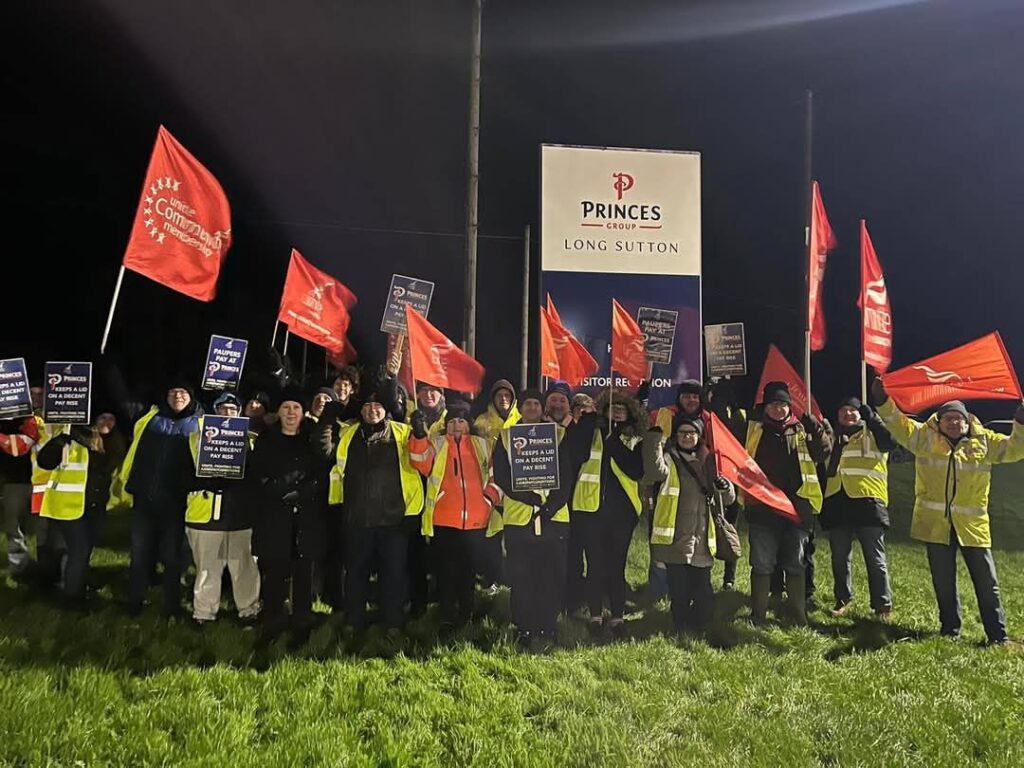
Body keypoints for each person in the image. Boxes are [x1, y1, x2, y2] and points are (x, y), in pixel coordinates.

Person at [873, 378, 1024, 644]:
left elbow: (1015, 449)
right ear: (939, 421)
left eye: (959, 419)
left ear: (968, 422)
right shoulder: (923, 438)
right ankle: (950, 630)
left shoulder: (985, 442)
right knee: (944, 582)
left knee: (988, 584)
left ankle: (997, 636)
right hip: (935, 525)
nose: (954, 423)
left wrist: (1021, 424)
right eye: (948, 419)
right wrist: (882, 401)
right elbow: (898, 423)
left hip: (973, 527)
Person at [321, 383, 424, 635]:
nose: (372, 410)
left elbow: (424, 463)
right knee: (355, 574)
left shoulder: (403, 431)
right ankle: (354, 620)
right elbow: (324, 453)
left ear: (386, 409)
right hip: (357, 519)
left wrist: (420, 434)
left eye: (377, 405)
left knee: (394, 576)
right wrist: (326, 419)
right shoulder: (347, 434)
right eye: (367, 405)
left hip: (394, 520)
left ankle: (393, 622)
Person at [491, 389, 581, 648]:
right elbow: (503, 477)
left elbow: (567, 474)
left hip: (555, 518)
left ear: (543, 409)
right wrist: (529, 497)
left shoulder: (559, 435)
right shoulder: (507, 437)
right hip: (519, 518)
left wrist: (551, 507)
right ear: (520, 408)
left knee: (551, 575)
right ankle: (523, 626)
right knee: (522, 576)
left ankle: (547, 626)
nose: (532, 407)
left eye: (536, 403)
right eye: (527, 403)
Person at [409, 398, 501, 632]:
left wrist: (488, 499)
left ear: (468, 424)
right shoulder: (437, 443)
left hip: (475, 520)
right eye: (452, 421)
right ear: (446, 425)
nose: (457, 425)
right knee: (446, 571)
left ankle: (466, 613)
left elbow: (496, 476)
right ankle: (447, 615)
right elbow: (420, 463)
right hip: (444, 519)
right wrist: (419, 435)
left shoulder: (482, 445)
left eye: (461, 420)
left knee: (468, 571)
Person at [744, 381, 830, 626]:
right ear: (766, 407)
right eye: (773, 404)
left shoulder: (803, 428)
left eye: (782, 404)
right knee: (762, 564)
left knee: (795, 564)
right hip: (762, 509)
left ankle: (797, 615)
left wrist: (817, 432)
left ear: (790, 406)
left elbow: (822, 453)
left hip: (797, 509)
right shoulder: (753, 429)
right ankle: (758, 615)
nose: (778, 409)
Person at [250, 386, 329, 645]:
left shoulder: (310, 439)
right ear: (278, 412)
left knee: (303, 572)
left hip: (305, 515)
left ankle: (302, 621)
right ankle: (272, 619)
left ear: (303, 412)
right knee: (275, 571)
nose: (291, 412)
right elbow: (257, 472)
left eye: (296, 407)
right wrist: (277, 490)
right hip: (275, 515)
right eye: (286, 407)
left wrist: (303, 492)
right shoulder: (266, 439)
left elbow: (321, 473)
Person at [643, 416, 735, 633]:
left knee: (703, 591)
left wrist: (725, 487)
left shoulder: (710, 461)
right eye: (682, 432)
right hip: (675, 538)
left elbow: (728, 499)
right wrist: (655, 438)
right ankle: (681, 628)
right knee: (679, 590)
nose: (687, 436)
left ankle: (701, 626)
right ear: (675, 436)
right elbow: (654, 471)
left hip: (702, 538)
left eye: (691, 432)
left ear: (699, 437)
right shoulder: (668, 458)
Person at [119, 378, 202, 617]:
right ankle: (134, 602)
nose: (178, 396)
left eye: (183, 392)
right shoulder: (148, 419)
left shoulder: (199, 425)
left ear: (191, 397)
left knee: (172, 556)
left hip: (176, 503)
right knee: (139, 553)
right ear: (166, 396)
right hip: (144, 499)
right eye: (173, 391)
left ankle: (172, 605)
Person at [571, 388, 646, 638]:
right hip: (590, 511)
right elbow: (575, 450)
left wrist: (613, 439)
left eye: (622, 409)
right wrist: (593, 422)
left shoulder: (634, 439)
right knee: (595, 566)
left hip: (622, 515)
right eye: (612, 408)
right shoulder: (591, 433)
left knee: (616, 567)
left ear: (630, 414)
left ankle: (617, 618)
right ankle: (594, 616)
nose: (617, 412)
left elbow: (635, 469)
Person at [184, 392, 261, 625]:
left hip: (240, 512)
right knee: (207, 567)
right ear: (214, 412)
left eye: (232, 409)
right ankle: (204, 614)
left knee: (244, 566)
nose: (227, 413)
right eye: (222, 409)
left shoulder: (251, 439)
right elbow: (186, 468)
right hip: (206, 512)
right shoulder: (198, 437)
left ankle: (249, 611)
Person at [34, 411, 125, 604]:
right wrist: (61, 441)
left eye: (111, 418)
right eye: (102, 417)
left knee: (80, 552)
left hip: (95, 508)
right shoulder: (72, 438)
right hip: (69, 505)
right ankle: (72, 598)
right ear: (93, 420)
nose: (106, 422)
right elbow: (45, 461)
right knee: (78, 551)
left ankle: (71, 585)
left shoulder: (115, 444)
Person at [821, 396, 896, 618]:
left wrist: (873, 418)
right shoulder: (832, 436)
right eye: (843, 410)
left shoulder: (873, 434)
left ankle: (882, 605)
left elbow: (890, 441)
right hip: (838, 500)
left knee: (875, 558)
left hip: (868, 501)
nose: (848, 414)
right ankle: (843, 599)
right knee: (839, 557)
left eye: (852, 410)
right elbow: (826, 466)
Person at [1, 413, 39, 575]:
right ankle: (18, 567)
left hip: (45, 483)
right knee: (14, 527)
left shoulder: (53, 414)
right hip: (14, 480)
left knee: (45, 530)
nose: (36, 397)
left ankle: (48, 567)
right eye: (33, 393)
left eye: (40, 393)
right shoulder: (6, 419)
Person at [473, 379, 519, 445]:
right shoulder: (481, 421)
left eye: (507, 395)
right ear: (493, 399)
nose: (503, 399)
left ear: (512, 398)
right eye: (499, 396)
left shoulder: (521, 419)